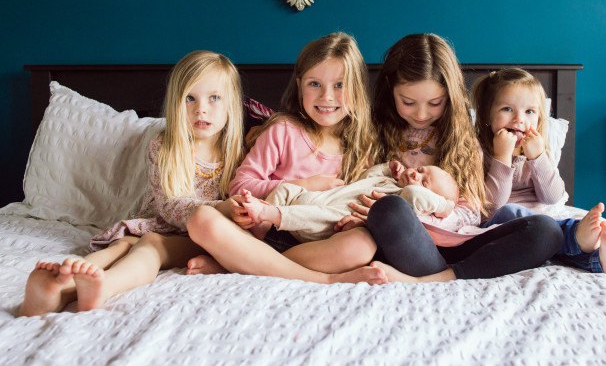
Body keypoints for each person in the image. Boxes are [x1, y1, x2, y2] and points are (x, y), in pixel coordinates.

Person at [19, 50, 246, 316]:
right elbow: (167, 205)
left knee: (151, 246)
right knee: (121, 246)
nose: (201, 109)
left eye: (214, 98)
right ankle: (59, 286)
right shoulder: (165, 146)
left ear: (231, 104)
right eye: (189, 98)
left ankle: (104, 286)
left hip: (195, 237)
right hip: (157, 223)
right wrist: (219, 207)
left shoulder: (238, 154)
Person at [343, 33, 564, 283]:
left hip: (458, 241)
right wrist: (365, 215)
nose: (421, 114)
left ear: (450, 95)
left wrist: (432, 213)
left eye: (434, 103)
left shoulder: (464, 141)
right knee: (389, 209)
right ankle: (439, 273)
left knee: (547, 230)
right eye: (408, 102)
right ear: (389, 87)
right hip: (403, 237)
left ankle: (436, 277)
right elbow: (361, 190)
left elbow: (476, 212)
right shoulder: (373, 134)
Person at [185, 32, 386, 284]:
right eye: (315, 84)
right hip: (266, 233)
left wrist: (356, 220)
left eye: (339, 85)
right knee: (201, 219)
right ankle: (324, 279)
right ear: (299, 86)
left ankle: (238, 263)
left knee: (362, 245)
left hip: (318, 241)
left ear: (357, 89)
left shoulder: (365, 145)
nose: (327, 96)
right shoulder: (283, 131)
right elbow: (239, 186)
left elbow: (362, 199)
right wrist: (302, 185)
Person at [471, 68, 606, 275]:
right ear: (487, 114)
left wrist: (538, 158)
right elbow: (491, 207)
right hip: (499, 227)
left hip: (543, 228)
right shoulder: (478, 153)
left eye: (529, 111)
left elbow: (552, 197)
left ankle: (600, 260)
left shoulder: (538, 151)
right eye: (507, 109)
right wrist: (502, 156)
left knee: (552, 239)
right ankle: (575, 237)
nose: (519, 119)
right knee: (513, 212)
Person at [239, 161, 458, 242]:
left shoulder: (400, 200)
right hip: (315, 198)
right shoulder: (389, 182)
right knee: (286, 188)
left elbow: (415, 195)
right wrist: (386, 168)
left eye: (424, 182)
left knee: (320, 215)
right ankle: (262, 229)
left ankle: (269, 214)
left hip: (329, 220)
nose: (415, 174)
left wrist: (444, 206)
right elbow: (365, 177)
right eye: (420, 169)